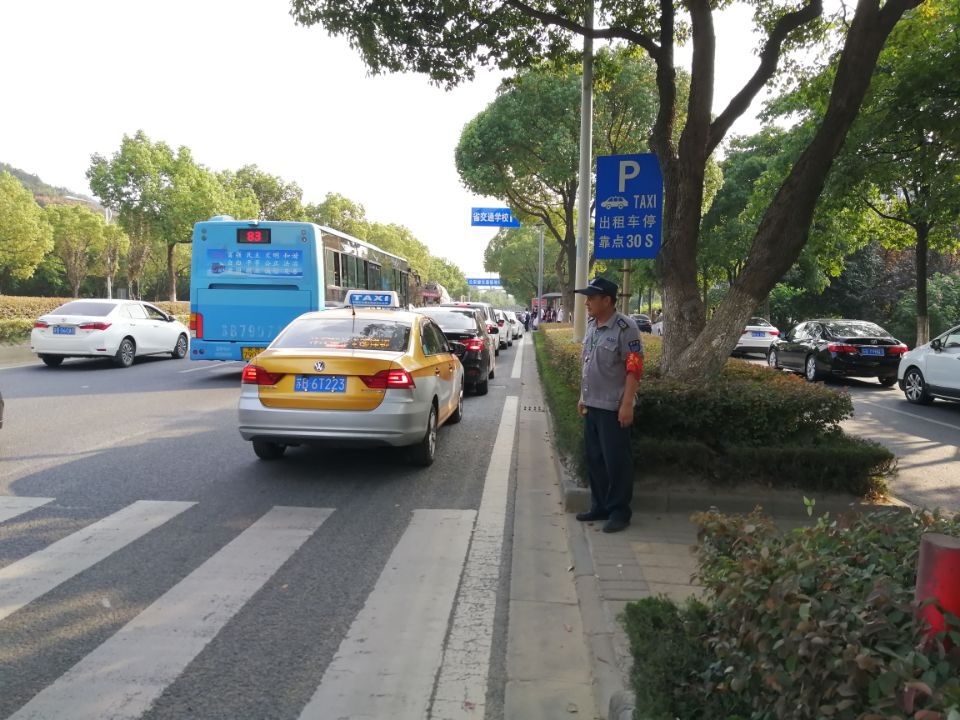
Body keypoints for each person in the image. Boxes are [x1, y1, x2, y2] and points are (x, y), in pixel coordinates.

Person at [574, 277, 644, 533]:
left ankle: (619, 512)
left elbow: (634, 367)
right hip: (592, 404)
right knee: (595, 459)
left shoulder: (626, 328)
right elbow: (588, 363)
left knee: (617, 462)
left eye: (591, 298)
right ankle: (600, 506)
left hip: (613, 407)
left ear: (607, 300)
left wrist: (627, 404)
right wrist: (582, 397)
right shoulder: (592, 326)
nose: (587, 303)